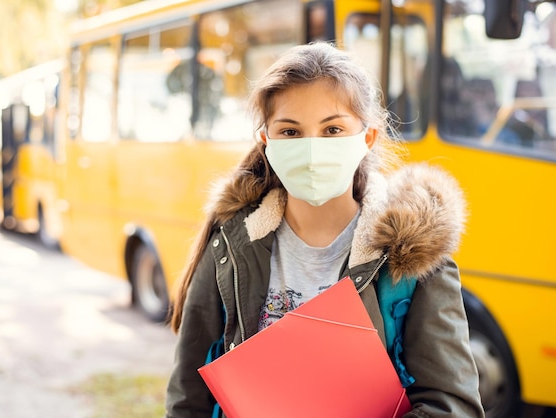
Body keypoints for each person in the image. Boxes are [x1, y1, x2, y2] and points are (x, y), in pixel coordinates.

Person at [165, 42, 484, 418]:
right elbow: (188, 400)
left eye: (332, 129)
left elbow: (453, 407)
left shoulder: (415, 259)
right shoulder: (229, 251)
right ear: (266, 141)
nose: (313, 148)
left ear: (367, 138)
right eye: (291, 132)